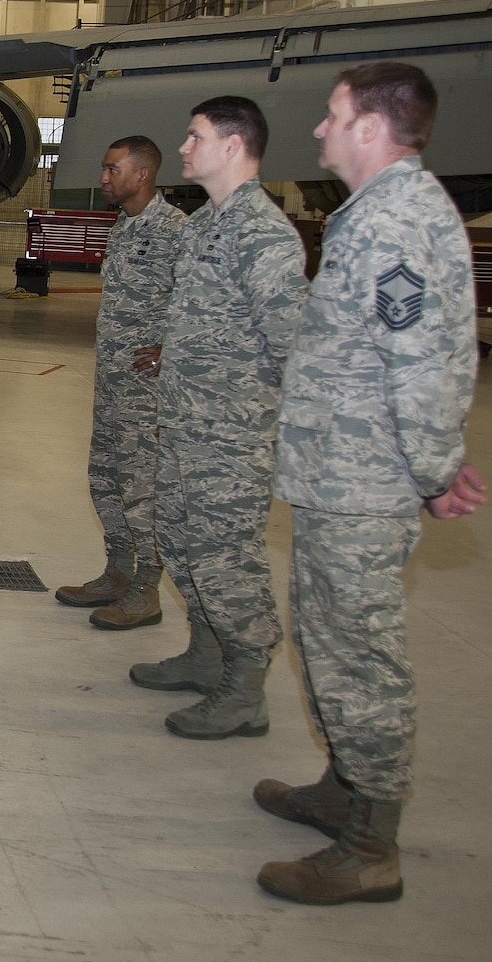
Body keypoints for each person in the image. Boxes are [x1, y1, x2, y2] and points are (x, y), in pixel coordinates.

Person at [254, 62, 486, 905]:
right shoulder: (375, 216)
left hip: (365, 485)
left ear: (372, 127)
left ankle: (372, 845)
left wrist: (434, 472)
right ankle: (345, 786)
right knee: (324, 641)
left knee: (362, 656)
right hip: (337, 478)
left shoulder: (395, 222)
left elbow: (419, 364)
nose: (319, 130)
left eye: (331, 114)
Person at [130, 96, 307, 740]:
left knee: (227, 559)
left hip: (230, 439)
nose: (182, 147)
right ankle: (206, 657)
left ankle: (244, 691)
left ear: (232, 146)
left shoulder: (264, 235)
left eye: (194, 135)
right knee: (180, 544)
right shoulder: (204, 224)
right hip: (183, 427)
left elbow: (295, 346)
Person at [55, 137, 185, 630]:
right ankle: (118, 572)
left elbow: (201, 303)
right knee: (105, 477)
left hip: (145, 390)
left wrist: (171, 349)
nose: (103, 178)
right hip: (111, 381)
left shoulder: (176, 230)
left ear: (142, 174)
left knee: (140, 487)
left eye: (112, 169)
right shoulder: (126, 227)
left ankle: (146, 592)